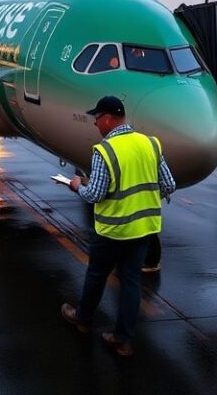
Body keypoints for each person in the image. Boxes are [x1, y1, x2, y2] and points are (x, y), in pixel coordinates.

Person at [60, 95, 176, 357]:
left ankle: (83, 319)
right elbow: (169, 185)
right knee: (131, 282)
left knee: (97, 275)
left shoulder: (105, 150)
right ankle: (122, 340)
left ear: (109, 119)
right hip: (143, 229)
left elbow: (95, 195)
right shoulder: (150, 144)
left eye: (97, 118)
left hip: (112, 231)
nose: (95, 124)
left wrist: (77, 185)